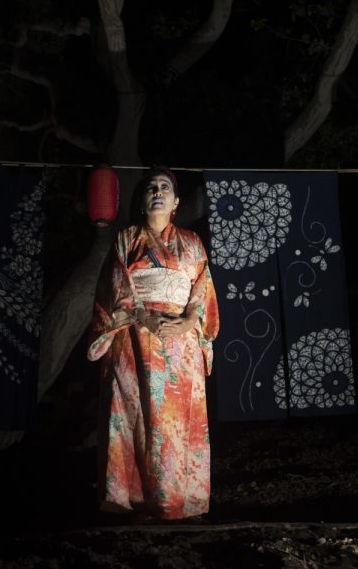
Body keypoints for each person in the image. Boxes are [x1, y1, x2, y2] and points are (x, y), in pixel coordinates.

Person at [88, 166, 220, 522]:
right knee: (135, 416)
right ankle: (134, 501)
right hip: (134, 337)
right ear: (142, 200)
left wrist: (190, 321)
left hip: (181, 344)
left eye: (165, 187)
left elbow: (202, 289)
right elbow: (114, 287)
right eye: (150, 187)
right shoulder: (127, 239)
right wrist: (144, 317)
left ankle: (182, 502)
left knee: (180, 423)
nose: (157, 191)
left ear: (176, 202)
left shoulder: (192, 242)